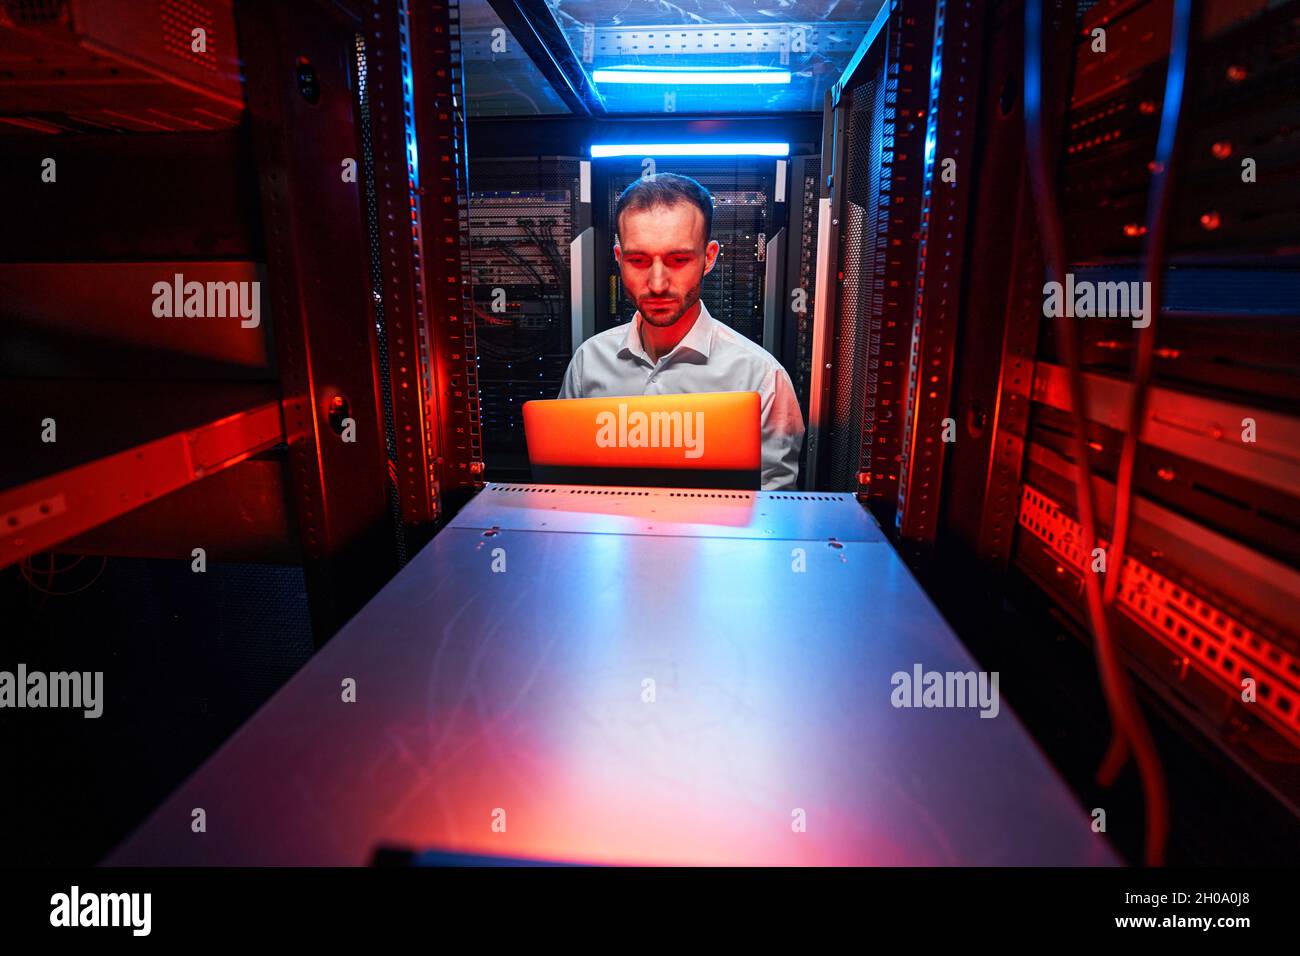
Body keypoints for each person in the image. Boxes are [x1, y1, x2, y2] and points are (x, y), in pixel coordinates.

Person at [558, 173, 806, 490]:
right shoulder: (588, 362)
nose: (658, 283)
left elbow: (773, 514)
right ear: (619, 260)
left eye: (678, 259)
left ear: (709, 258)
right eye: (638, 259)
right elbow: (566, 488)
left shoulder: (760, 378)